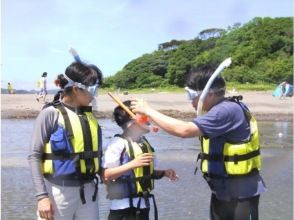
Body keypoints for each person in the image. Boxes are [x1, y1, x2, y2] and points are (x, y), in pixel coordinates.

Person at [131, 66, 266, 220]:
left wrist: (149, 111)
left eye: (191, 95)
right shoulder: (221, 109)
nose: (190, 101)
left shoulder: (225, 111)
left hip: (241, 195)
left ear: (209, 93)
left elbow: (184, 130)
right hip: (223, 192)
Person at [28, 62, 103, 220]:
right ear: (76, 89)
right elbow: (34, 155)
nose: (94, 95)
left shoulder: (89, 117)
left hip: (89, 192)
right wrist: (42, 197)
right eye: (92, 90)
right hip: (58, 193)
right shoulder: (50, 114)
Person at [102, 100, 178, 220]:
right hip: (122, 208)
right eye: (144, 118)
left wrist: (163, 173)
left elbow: (144, 173)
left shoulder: (143, 143)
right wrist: (132, 164)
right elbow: (106, 175)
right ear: (132, 123)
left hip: (143, 205)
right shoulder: (117, 144)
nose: (148, 121)